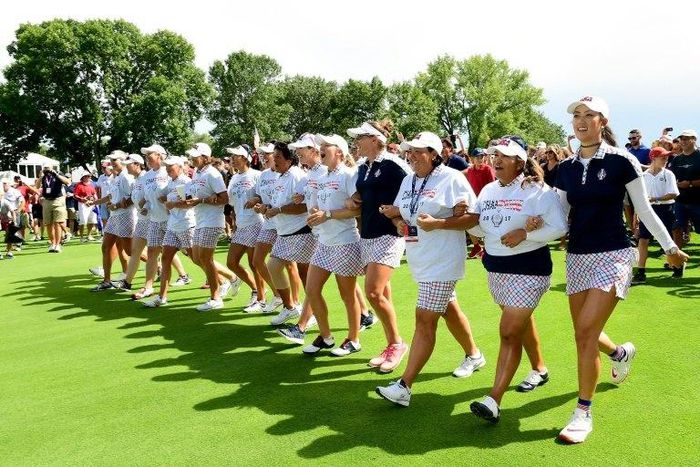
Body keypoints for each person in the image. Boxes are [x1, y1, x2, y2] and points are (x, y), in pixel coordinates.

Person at [551, 96, 687, 444]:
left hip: (613, 255)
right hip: (577, 256)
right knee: (586, 333)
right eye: (576, 116)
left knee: (583, 333)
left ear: (603, 121)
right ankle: (619, 352)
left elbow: (643, 209)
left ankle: (583, 412)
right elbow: (557, 213)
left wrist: (670, 248)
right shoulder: (566, 167)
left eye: (589, 115)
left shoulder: (622, 161)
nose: (581, 121)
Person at [374, 131, 485, 407]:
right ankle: (474, 355)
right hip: (420, 257)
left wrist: (440, 223)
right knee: (448, 307)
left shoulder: (453, 178)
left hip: (444, 259)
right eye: (409, 151)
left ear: (434, 154)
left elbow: (472, 217)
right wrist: (396, 219)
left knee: (424, 319)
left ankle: (405, 385)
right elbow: (402, 213)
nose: (411, 156)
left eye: (418, 151)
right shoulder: (409, 180)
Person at [462, 136, 568, 422]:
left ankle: (494, 400)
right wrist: (471, 225)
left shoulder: (538, 190)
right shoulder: (487, 190)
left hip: (529, 269)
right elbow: (482, 230)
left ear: (520, 162)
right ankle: (540, 369)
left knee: (509, 331)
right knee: (520, 326)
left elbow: (559, 227)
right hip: (495, 268)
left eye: (504, 156)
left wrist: (526, 233)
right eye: (494, 154)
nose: (496, 159)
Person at [346, 120, 412, 373]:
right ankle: (390, 344)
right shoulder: (363, 167)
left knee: (373, 292)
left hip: (389, 235)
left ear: (375, 140)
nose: (356, 143)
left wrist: (398, 215)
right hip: (368, 234)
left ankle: (397, 343)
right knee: (382, 294)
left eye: (361, 137)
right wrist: (356, 197)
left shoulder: (395, 165)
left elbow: (412, 191)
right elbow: (362, 192)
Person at [297, 134, 364, 356]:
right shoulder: (323, 176)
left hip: (345, 241)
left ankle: (353, 339)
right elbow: (323, 209)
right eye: (321, 146)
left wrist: (327, 214)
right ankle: (326, 337)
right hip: (324, 242)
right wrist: (317, 215)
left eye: (327, 146)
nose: (321, 148)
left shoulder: (349, 174)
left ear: (340, 153)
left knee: (347, 295)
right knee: (312, 289)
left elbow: (358, 209)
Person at [264, 142, 316, 323]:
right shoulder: (280, 177)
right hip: (284, 232)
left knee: (306, 275)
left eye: (278, 157)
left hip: (300, 231)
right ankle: (290, 307)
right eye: (274, 156)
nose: (274, 160)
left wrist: (277, 210)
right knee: (273, 267)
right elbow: (278, 204)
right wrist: (265, 207)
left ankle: (312, 313)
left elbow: (303, 206)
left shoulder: (297, 175)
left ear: (288, 159)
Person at [185, 143, 237, 311]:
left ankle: (215, 297)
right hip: (201, 220)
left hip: (212, 221)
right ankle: (230, 280)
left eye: (196, 156)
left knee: (205, 259)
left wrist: (201, 200)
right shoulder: (198, 173)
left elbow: (224, 198)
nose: (192, 158)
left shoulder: (213, 174)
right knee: (198, 258)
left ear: (205, 158)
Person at [245, 143, 291, 313]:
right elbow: (259, 194)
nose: (264, 156)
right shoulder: (264, 175)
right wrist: (255, 201)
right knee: (257, 261)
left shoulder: (287, 174)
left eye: (268, 154)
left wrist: (269, 207)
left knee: (289, 265)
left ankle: (292, 301)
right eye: (262, 154)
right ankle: (279, 295)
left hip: (283, 223)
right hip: (269, 222)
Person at [143, 156, 195, 307]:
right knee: (165, 258)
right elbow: (165, 196)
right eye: (166, 167)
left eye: (171, 167)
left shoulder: (185, 181)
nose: (168, 170)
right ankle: (161, 297)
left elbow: (190, 203)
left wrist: (172, 203)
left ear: (179, 167)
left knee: (197, 259)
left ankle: (226, 279)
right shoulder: (172, 182)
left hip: (186, 224)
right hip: (173, 225)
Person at [225, 145, 265, 310]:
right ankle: (255, 289)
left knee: (254, 263)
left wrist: (256, 199)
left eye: (236, 156)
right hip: (241, 225)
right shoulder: (234, 178)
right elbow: (233, 204)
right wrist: (234, 223)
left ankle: (261, 299)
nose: (232, 159)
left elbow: (265, 195)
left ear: (245, 158)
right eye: (232, 157)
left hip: (255, 222)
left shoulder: (257, 175)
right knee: (231, 262)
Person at [632, 147, 679, 285]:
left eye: (666, 158)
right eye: (662, 158)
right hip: (648, 210)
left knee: (667, 240)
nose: (666, 160)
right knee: (643, 240)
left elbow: (673, 194)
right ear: (653, 158)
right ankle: (641, 272)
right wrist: (636, 214)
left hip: (666, 209)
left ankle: (677, 264)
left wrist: (655, 199)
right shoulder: (643, 176)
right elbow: (640, 198)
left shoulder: (669, 174)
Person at [89, 151, 135, 291]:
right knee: (106, 246)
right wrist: (95, 202)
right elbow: (111, 195)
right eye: (111, 159)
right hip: (115, 216)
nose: (112, 162)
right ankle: (106, 281)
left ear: (122, 160)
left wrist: (117, 205)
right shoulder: (116, 177)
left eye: (115, 159)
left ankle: (157, 266)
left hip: (125, 216)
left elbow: (133, 197)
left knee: (130, 251)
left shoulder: (127, 177)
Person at [669, 129, 700, 277]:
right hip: (680, 201)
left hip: (698, 201)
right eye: (682, 139)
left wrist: (691, 184)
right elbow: (672, 178)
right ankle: (678, 263)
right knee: (677, 229)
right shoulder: (677, 159)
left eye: (687, 139)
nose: (683, 141)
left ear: (694, 139)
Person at [465, 148, 496, 259]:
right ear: (472, 158)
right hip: (474, 203)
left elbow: (493, 186)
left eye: (481, 156)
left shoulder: (488, 169)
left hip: (487, 203)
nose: (480, 159)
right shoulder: (470, 170)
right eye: (477, 157)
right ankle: (477, 246)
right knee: (467, 223)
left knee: (488, 226)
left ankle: (488, 249)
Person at [36, 163, 70, 253]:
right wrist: (40, 176)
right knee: (48, 224)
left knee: (57, 223)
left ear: (52, 168)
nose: (47, 170)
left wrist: (56, 174)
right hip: (47, 201)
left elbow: (68, 182)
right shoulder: (43, 177)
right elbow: (37, 186)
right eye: (45, 168)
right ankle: (53, 243)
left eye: (48, 168)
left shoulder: (57, 175)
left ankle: (58, 244)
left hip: (57, 200)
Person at [1, 179, 25, 259]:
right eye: (2, 183)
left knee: (11, 232)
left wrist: (18, 211)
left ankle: (10, 250)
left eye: (5, 183)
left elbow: (22, 201)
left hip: (13, 213)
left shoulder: (15, 191)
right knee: (8, 233)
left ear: (9, 184)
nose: (3, 185)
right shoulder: (2, 192)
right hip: (2, 214)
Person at [73, 171, 98, 242]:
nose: (88, 177)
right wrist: (82, 199)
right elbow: (75, 195)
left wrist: (96, 200)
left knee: (92, 219)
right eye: (87, 176)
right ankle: (81, 237)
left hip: (91, 203)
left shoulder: (91, 185)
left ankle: (89, 235)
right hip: (82, 204)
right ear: (83, 177)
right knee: (83, 220)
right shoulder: (79, 185)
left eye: (89, 176)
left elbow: (94, 193)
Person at [95, 162, 113, 228]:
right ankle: (106, 233)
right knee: (104, 218)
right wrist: (98, 199)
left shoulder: (114, 176)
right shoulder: (101, 177)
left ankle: (113, 235)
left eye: (104, 168)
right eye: (102, 167)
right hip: (103, 201)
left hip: (112, 201)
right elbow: (97, 187)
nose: (103, 169)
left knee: (113, 219)